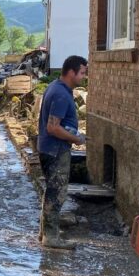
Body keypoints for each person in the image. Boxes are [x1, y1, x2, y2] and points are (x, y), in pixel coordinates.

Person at [37, 55, 88, 250]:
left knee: (51, 191)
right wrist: (76, 139)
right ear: (71, 72)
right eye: (82, 73)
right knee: (57, 193)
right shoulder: (60, 94)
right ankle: (51, 237)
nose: (83, 77)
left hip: (48, 148)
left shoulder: (56, 87)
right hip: (56, 150)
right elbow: (53, 127)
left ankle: (45, 233)